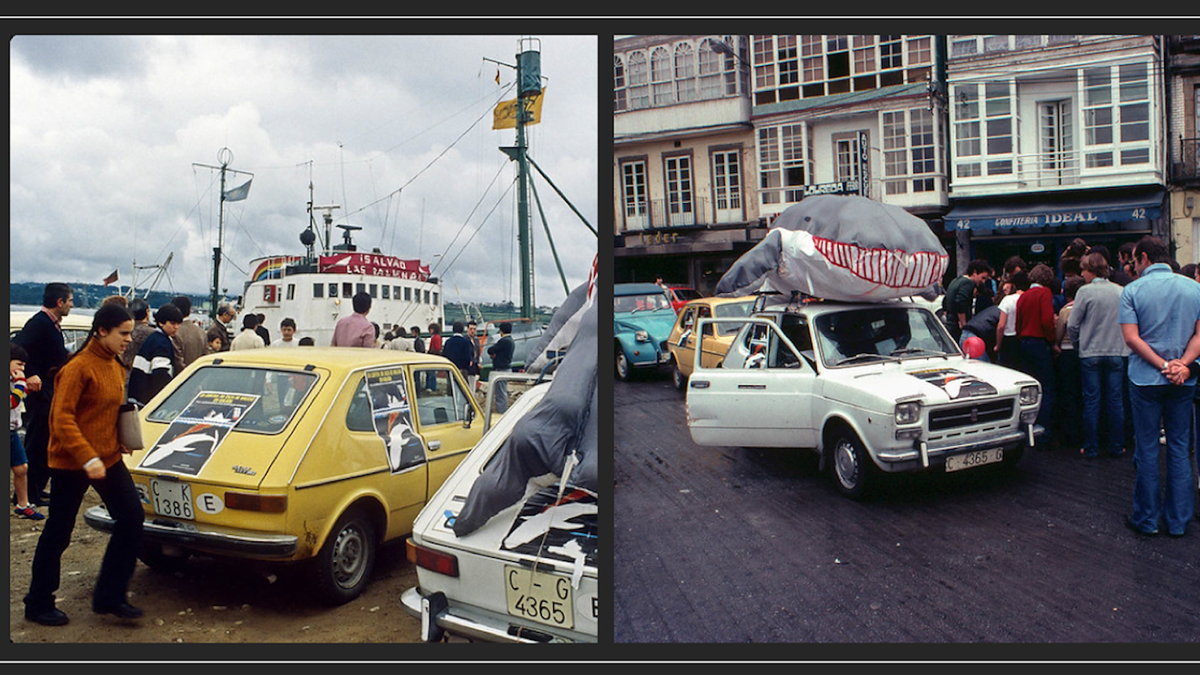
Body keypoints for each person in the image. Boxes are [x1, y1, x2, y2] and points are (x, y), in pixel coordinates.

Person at [23, 303, 144, 626]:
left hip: (107, 457)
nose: (128, 340)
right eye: (124, 333)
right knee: (58, 532)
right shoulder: (77, 368)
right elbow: (60, 420)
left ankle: (110, 596)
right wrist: (86, 456)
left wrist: (120, 438)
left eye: (130, 333)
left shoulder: (115, 365)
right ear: (101, 331)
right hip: (71, 461)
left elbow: (107, 410)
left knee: (132, 518)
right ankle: (38, 603)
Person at [1120, 235, 1200, 537]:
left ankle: (1147, 519)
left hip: (1145, 379)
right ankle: (1179, 521)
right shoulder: (1194, 288)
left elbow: (1131, 338)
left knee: (1148, 448)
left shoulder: (1132, 291)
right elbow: (1199, 336)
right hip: (1182, 379)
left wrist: (1162, 365)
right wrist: (1181, 364)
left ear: (1142, 258)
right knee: (1180, 449)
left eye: (1133, 260)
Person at [12, 282, 74, 507]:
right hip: (40, 391)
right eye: (70, 300)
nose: (72, 305)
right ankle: (28, 494)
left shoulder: (51, 324)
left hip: (50, 387)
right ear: (60, 302)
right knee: (38, 441)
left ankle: (37, 488)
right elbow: (15, 348)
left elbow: (53, 352)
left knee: (46, 439)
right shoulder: (39, 323)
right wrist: (30, 373)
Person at [1068, 251, 1130, 459]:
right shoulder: (1121, 292)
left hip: (1090, 351)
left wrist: (1078, 345)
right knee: (1115, 400)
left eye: (1084, 270)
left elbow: (1073, 324)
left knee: (1092, 401)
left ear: (1091, 270)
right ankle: (1117, 445)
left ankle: (1091, 447)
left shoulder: (1084, 292)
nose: (1082, 274)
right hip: (1116, 351)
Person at [1016, 263, 1058, 450]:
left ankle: (1028, 430)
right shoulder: (1045, 294)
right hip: (1040, 343)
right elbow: (1047, 321)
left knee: (1029, 390)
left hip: (1024, 342)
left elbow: (1018, 323)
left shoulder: (1023, 296)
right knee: (1047, 388)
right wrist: (1052, 342)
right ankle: (1044, 434)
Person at [10, 342, 43, 520]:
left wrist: (26, 388)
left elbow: (19, 397)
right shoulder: (16, 382)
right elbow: (12, 402)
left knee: (22, 467)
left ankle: (23, 504)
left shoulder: (14, 382)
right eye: (19, 364)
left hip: (12, 431)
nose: (22, 368)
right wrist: (22, 382)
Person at [127, 303, 184, 407]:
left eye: (178, 324)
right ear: (161, 322)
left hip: (137, 393)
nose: (176, 327)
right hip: (149, 398)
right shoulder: (162, 343)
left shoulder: (153, 338)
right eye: (172, 323)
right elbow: (161, 374)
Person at [1054, 275, 1086, 451]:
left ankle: (1070, 434)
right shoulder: (1088, 307)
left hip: (1067, 352)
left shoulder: (1065, 310)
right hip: (1085, 352)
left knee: (1069, 393)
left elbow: (1059, 334)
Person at [942, 259, 992, 342]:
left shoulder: (956, 280)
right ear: (974, 272)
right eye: (982, 278)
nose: (983, 281)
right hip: (957, 327)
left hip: (950, 323)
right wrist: (963, 323)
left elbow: (945, 300)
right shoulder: (968, 283)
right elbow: (961, 301)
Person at [995, 270, 1028, 371]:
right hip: (1022, 339)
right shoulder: (1027, 299)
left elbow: (1001, 325)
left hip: (1008, 340)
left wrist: (998, 345)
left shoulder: (1008, 300)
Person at [170, 296, 208, 369]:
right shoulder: (201, 332)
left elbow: (177, 362)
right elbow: (206, 355)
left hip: (180, 377)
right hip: (199, 374)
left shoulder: (174, 332)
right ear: (189, 310)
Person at [487, 322, 516, 413]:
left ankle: (502, 412)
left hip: (501, 369)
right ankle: (502, 410)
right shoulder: (511, 341)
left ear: (501, 330)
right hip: (507, 368)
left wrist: (494, 354)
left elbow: (490, 350)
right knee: (502, 391)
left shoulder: (503, 341)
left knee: (500, 394)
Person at [121, 298, 154, 372]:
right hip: (142, 376)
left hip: (122, 373)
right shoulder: (153, 334)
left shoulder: (122, 330)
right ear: (147, 312)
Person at [465, 320, 482, 391]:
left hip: (475, 366)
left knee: (473, 384)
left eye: (474, 329)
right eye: (471, 329)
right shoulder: (465, 340)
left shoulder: (476, 340)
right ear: (467, 329)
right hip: (467, 366)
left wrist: (478, 362)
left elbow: (477, 352)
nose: (472, 331)